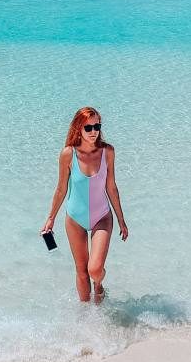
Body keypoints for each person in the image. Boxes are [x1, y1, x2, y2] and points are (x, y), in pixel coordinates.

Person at [41, 107, 128, 303]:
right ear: (78, 128)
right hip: (75, 219)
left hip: (102, 217)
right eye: (88, 127)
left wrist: (122, 220)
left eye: (97, 126)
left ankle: (98, 285)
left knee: (95, 269)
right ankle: (86, 320)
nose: (93, 131)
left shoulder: (108, 152)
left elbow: (112, 187)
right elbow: (61, 189)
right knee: (81, 272)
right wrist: (50, 219)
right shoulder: (67, 154)